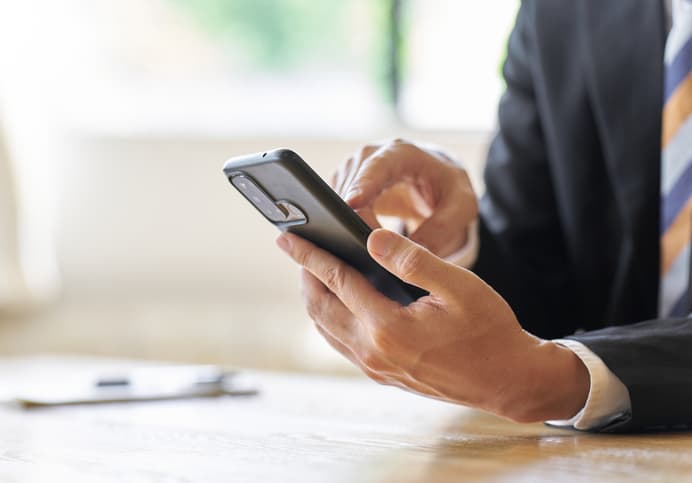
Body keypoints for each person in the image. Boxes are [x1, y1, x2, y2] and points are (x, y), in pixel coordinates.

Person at [276, 0, 692, 432]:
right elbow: (541, 297)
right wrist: (451, 242)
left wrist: (557, 379)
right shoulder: (559, 12)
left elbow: (538, 367)